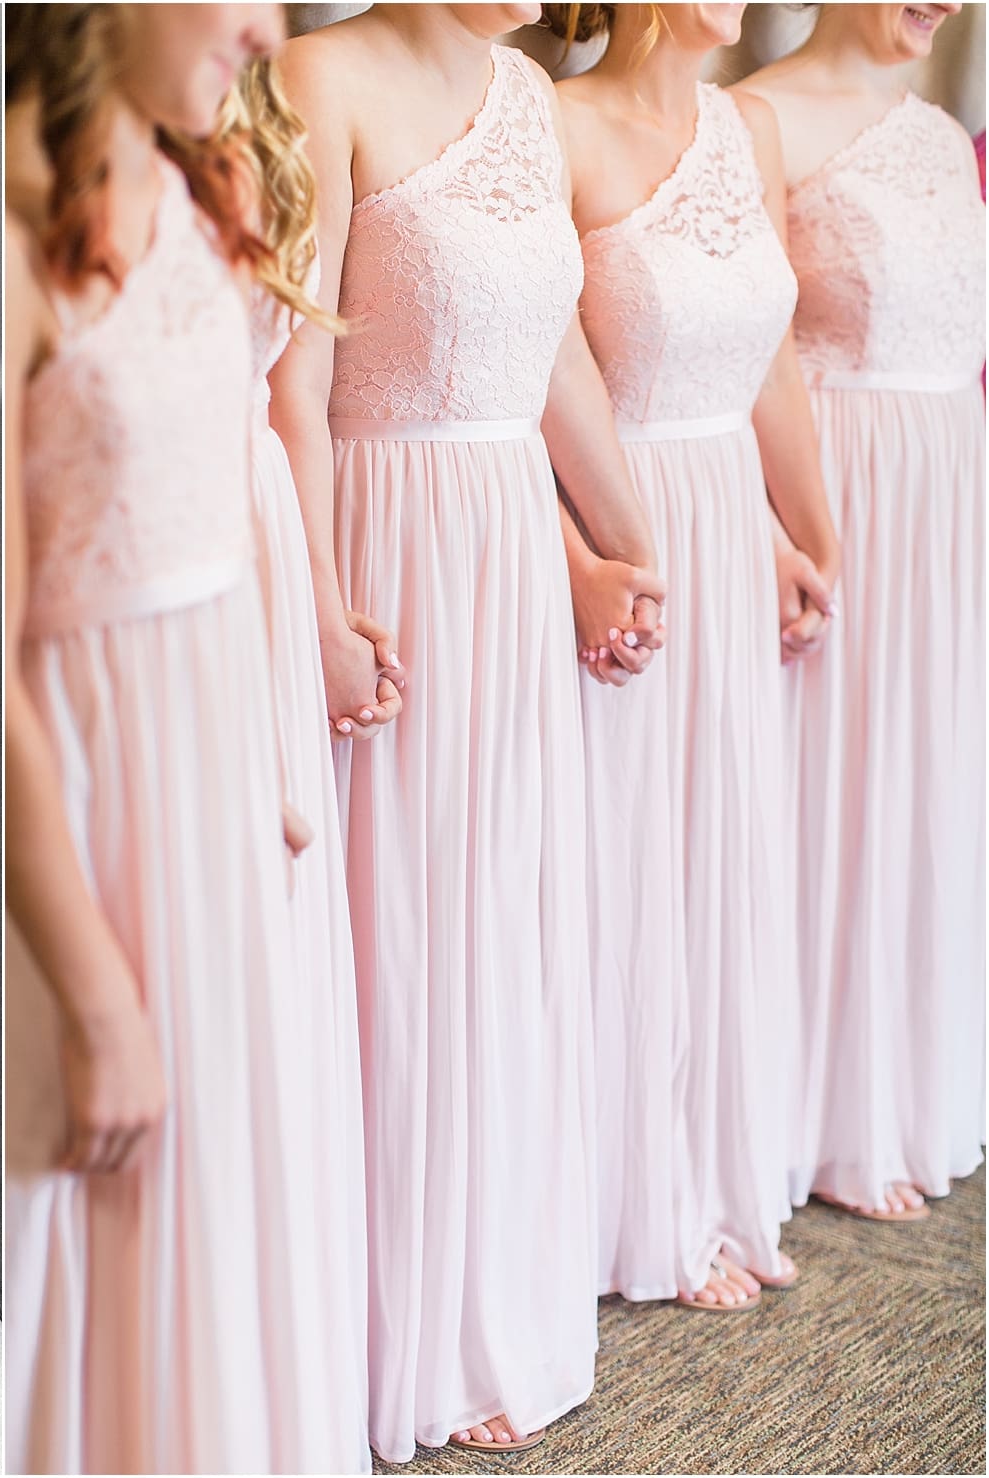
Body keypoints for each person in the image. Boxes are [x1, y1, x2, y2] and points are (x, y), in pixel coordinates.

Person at [273, 2, 667, 1456]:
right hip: (386, 549)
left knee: (503, 916)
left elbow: (548, 356)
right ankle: (398, 1328)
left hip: (507, 547)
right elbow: (290, 381)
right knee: (407, 925)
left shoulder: (520, 90)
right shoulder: (320, 75)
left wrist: (611, 552)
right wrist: (316, 604)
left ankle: (495, 1295)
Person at [4, 6, 374, 1471]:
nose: (266, 26)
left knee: (227, 1174)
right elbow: (14, 673)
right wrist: (90, 989)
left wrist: (272, 762)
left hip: (219, 768)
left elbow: (230, 510)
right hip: (99, 790)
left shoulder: (197, 191)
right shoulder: (27, 244)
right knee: (111, 1176)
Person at [546, 0, 842, 1314]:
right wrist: (576, 558)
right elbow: (520, 377)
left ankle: (707, 1177)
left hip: (726, 518)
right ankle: (618, 1205)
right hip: (621, 530)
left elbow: (766, 348)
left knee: (715, 855)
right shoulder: (555, 125)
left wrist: (802, 529)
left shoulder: (737, 127)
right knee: (617, 866)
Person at [736, 0, 986, 1222]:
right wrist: (790, 518)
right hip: (837, 482)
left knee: (932, 775)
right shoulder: (757, 117)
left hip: (949, 485)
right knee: (838, 780)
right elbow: (745, 339)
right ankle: (815, 1106)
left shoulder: (943, 133)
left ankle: (911, 1077)